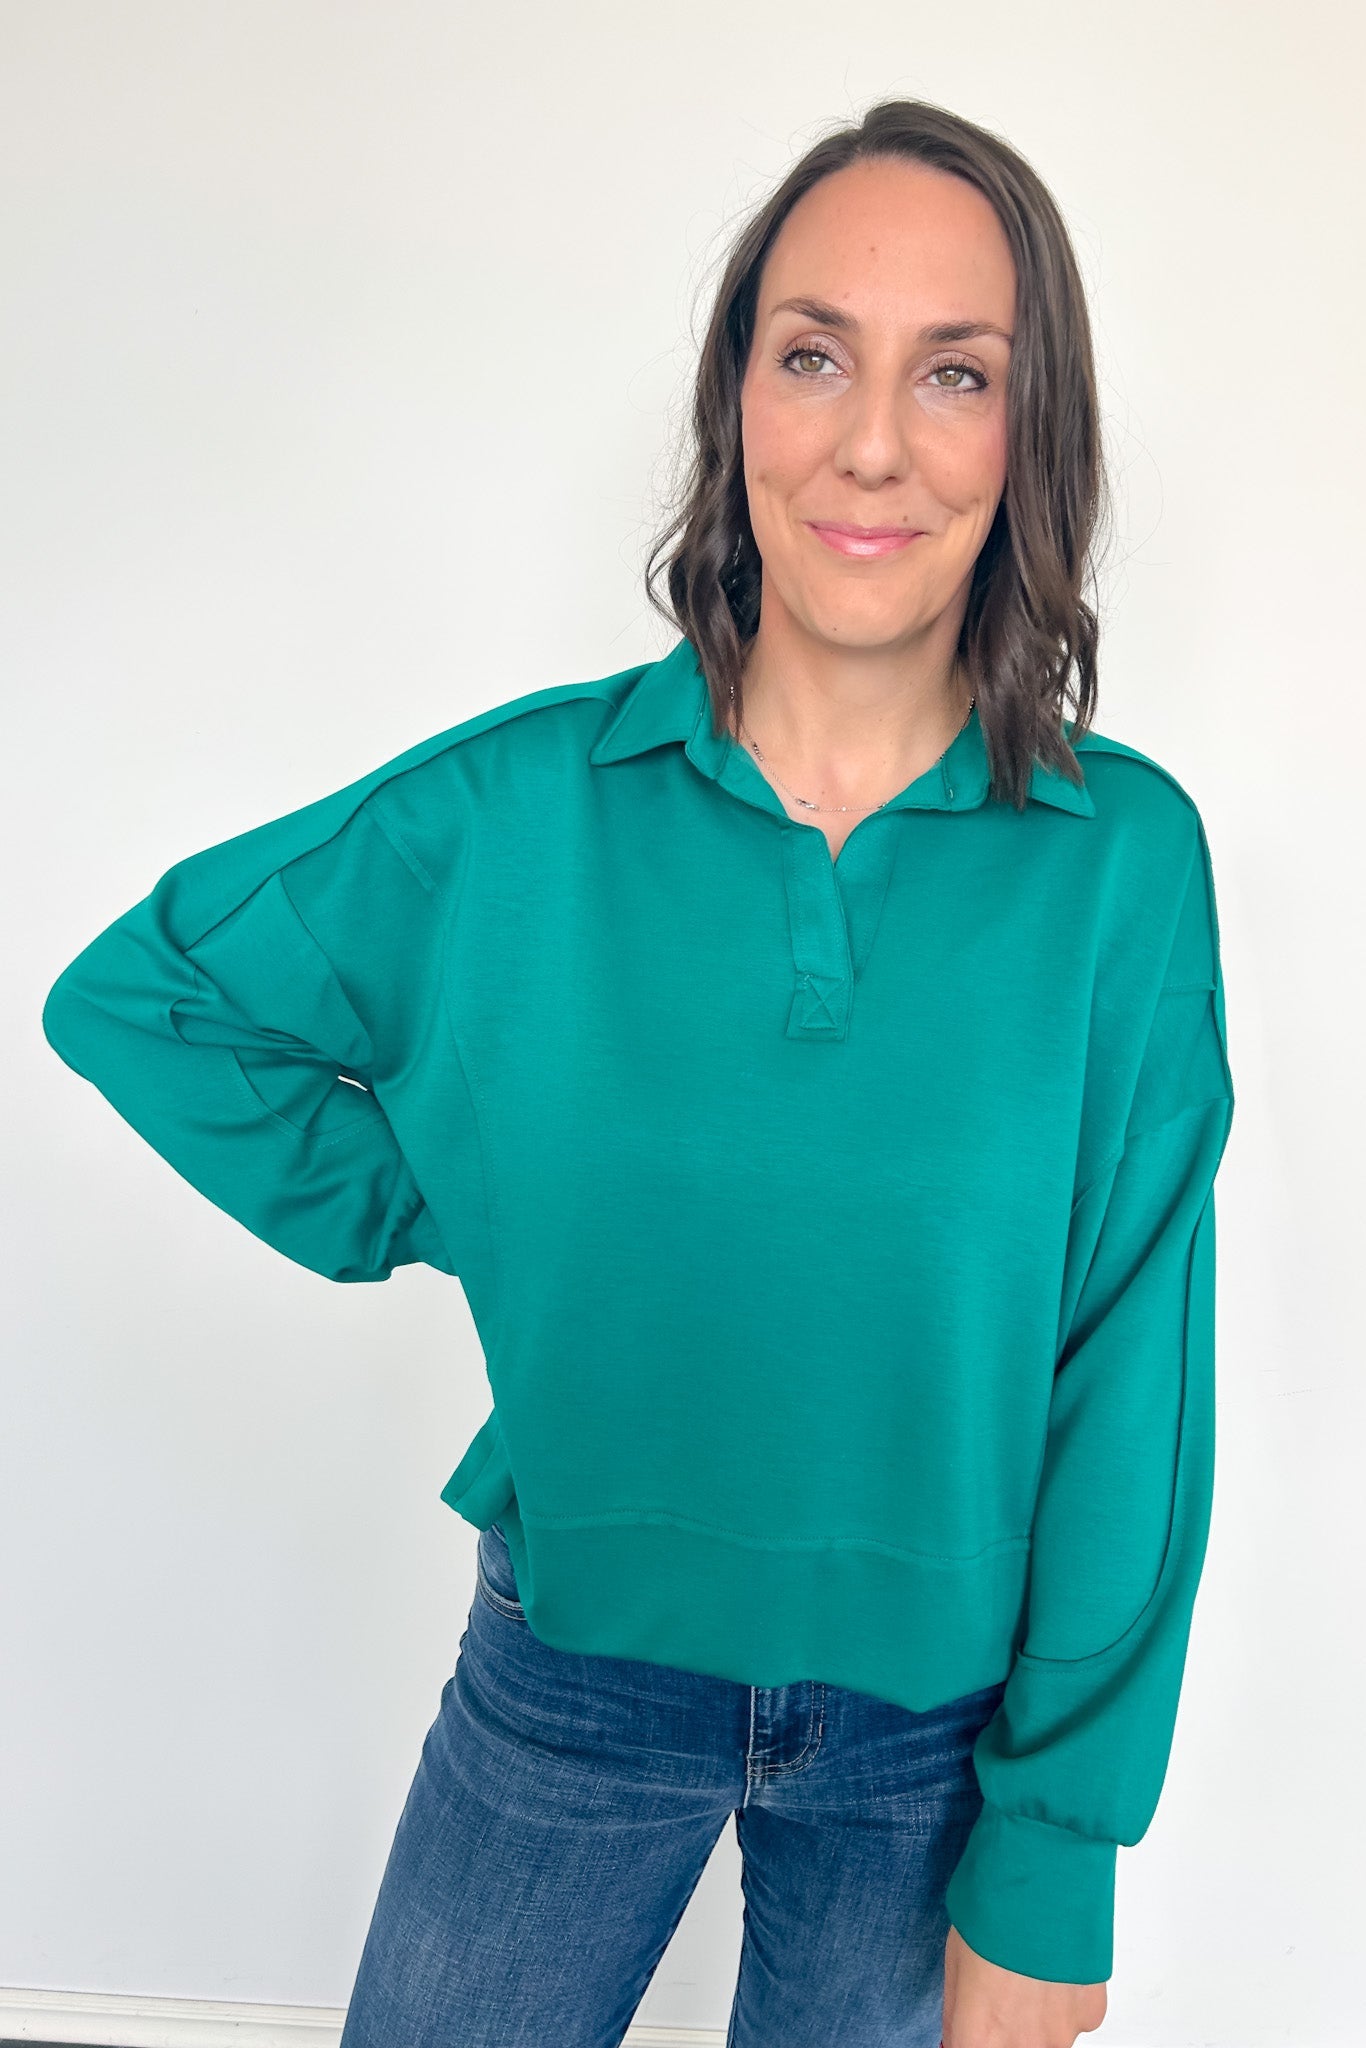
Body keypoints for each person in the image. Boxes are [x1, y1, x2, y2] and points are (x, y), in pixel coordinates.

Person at [41, 96, 1235, 2048]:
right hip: (571, 1668)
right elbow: (149, 998)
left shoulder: (1119, 866)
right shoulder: (519, 811)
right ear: (733, 404)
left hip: (931, 1743)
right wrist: (449, 1194)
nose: (868, 438)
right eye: (810, 354)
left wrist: (1052, 1858)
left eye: (954, 372)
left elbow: (1132, 1386)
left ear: (1032, 436)